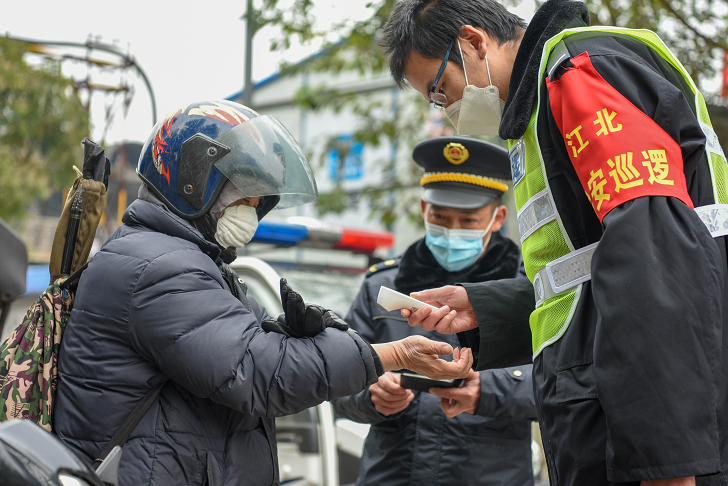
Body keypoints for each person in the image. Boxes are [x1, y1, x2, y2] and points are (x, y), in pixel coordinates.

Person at [380, 1, 728, 486]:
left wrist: (666, 464)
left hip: (644, 439)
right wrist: (486, 306)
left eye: (441, 93)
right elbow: (587, 273)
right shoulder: (539, 109)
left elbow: (651, 255)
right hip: (603, 414)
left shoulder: (577, 74)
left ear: (473, 42)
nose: (450, 113)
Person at [52, 100, 472, 486]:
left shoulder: (187, 259)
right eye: (244, 189)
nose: (253, 204)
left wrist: (301, 331)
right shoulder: (161, 268)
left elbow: (262, 341)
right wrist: (391, 355)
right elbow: (260, 372)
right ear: (194, 182)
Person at [333, 136, 538, 486]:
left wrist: (489, 390)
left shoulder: (530, 291)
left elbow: (565, 378)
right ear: (423, 208)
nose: (450, 231)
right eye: (440, 217)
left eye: (468, 220)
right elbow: (335, 382)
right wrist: (370, 394)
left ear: (498, 217)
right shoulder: (380, 287)